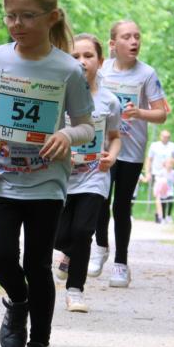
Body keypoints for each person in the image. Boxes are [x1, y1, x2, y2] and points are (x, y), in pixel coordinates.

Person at [0, 0, 94, 347]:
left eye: (27, 16)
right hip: (0, 176)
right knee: (2, 258)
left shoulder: (67, 69)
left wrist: (66, 135)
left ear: (51, 17)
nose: (16, 24)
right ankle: (18, 302)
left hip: (46, 182)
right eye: (10, 16)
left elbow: (86, 125)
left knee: (37, 264)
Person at [88, 20, 171, 286]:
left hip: (131, 150)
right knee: (99, 200)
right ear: (113, 44)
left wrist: (139, 113)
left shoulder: (147, 74)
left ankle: (121, 263)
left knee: (122, 206)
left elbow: (161, 114)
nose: (134, 41)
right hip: (103, 146)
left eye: (137, 36)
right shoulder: (102, 71)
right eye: (127, 37)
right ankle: (101, 247)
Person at [53, 33, 122, 313]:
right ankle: (68, 252)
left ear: (100, 61)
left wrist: (112, 156)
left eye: (88, 55)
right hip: (60, 176)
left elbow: (115, 137)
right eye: (75, 56)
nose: (82, 61)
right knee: (58, 235)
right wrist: (60, 151)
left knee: (83, 232)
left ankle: (75, 291)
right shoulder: (58, 96)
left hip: (94, 176)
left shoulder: (109, 101)